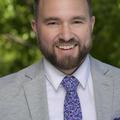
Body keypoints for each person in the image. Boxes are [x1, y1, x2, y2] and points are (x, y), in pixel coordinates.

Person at [0, 0, 120, 120]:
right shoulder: (3, 95)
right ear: (35, 28)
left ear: (91, 24)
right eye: (53, 23)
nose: (66, 36)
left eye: (77, 22)